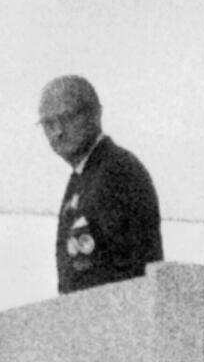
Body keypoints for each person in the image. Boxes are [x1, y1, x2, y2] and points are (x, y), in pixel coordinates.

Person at [38, 75, 163, 294]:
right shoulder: (84, 176)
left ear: (95, 114)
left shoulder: (117, 171)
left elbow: (124, 274)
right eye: (48, 124)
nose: (57, 132)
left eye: (66, 118)